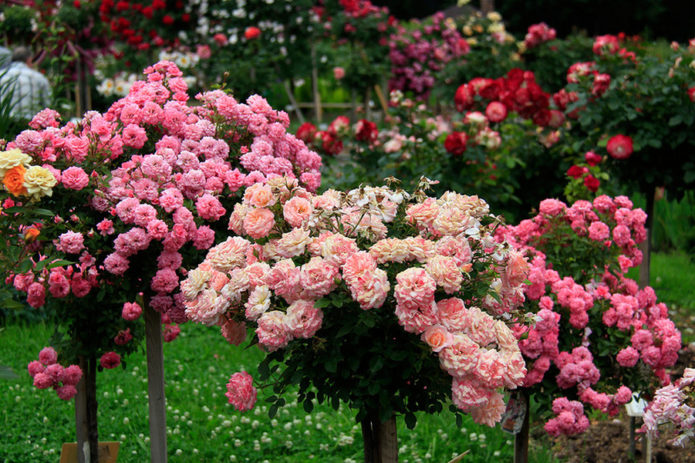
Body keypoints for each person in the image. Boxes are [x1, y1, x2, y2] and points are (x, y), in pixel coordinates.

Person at [0, 46, 51, 122]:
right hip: (30, 125)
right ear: (29, 59)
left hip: (5, 124)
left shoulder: (2, 75)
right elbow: (48, 106)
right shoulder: (39, 78)